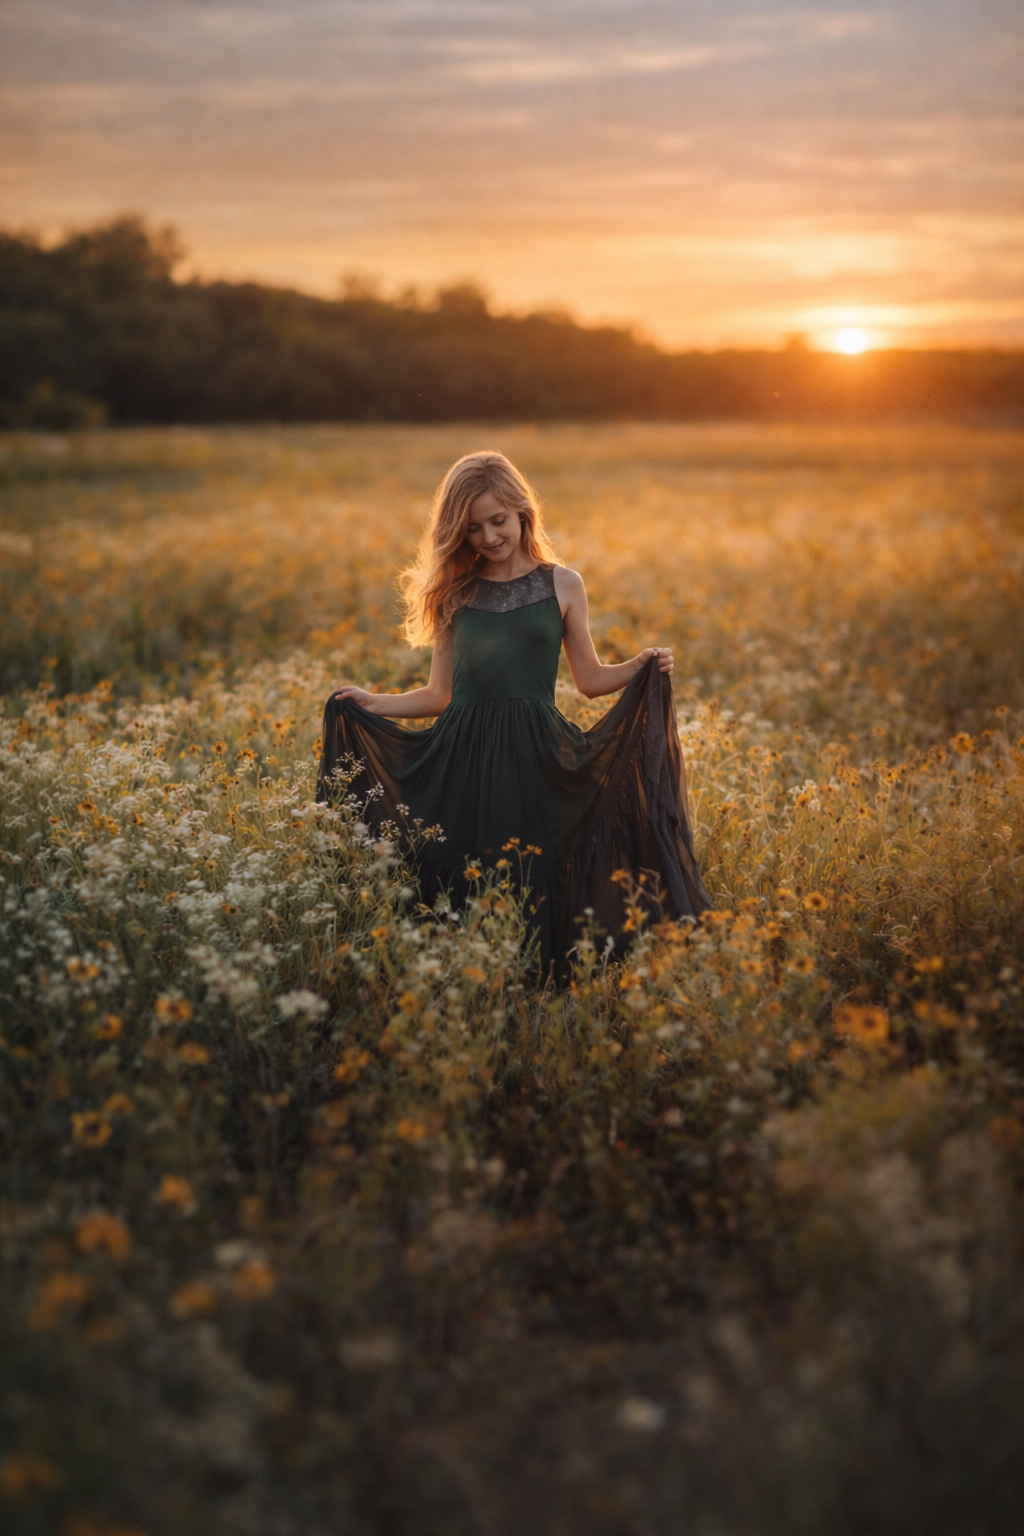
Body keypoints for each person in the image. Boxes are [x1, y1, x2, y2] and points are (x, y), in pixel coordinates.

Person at [317, 450, 710, 971]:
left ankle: (538, 976)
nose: (488, 537)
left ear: (523, 510)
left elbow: (589, 681)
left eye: (498, 521)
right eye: (473, 528)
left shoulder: (562, 584)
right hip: (465, 755)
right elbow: (438, 696)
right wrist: (374, 702)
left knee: (534, 860)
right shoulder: (455, 593)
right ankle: (468, 972)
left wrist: (638, 666)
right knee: (468, 866)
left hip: (536, 751)